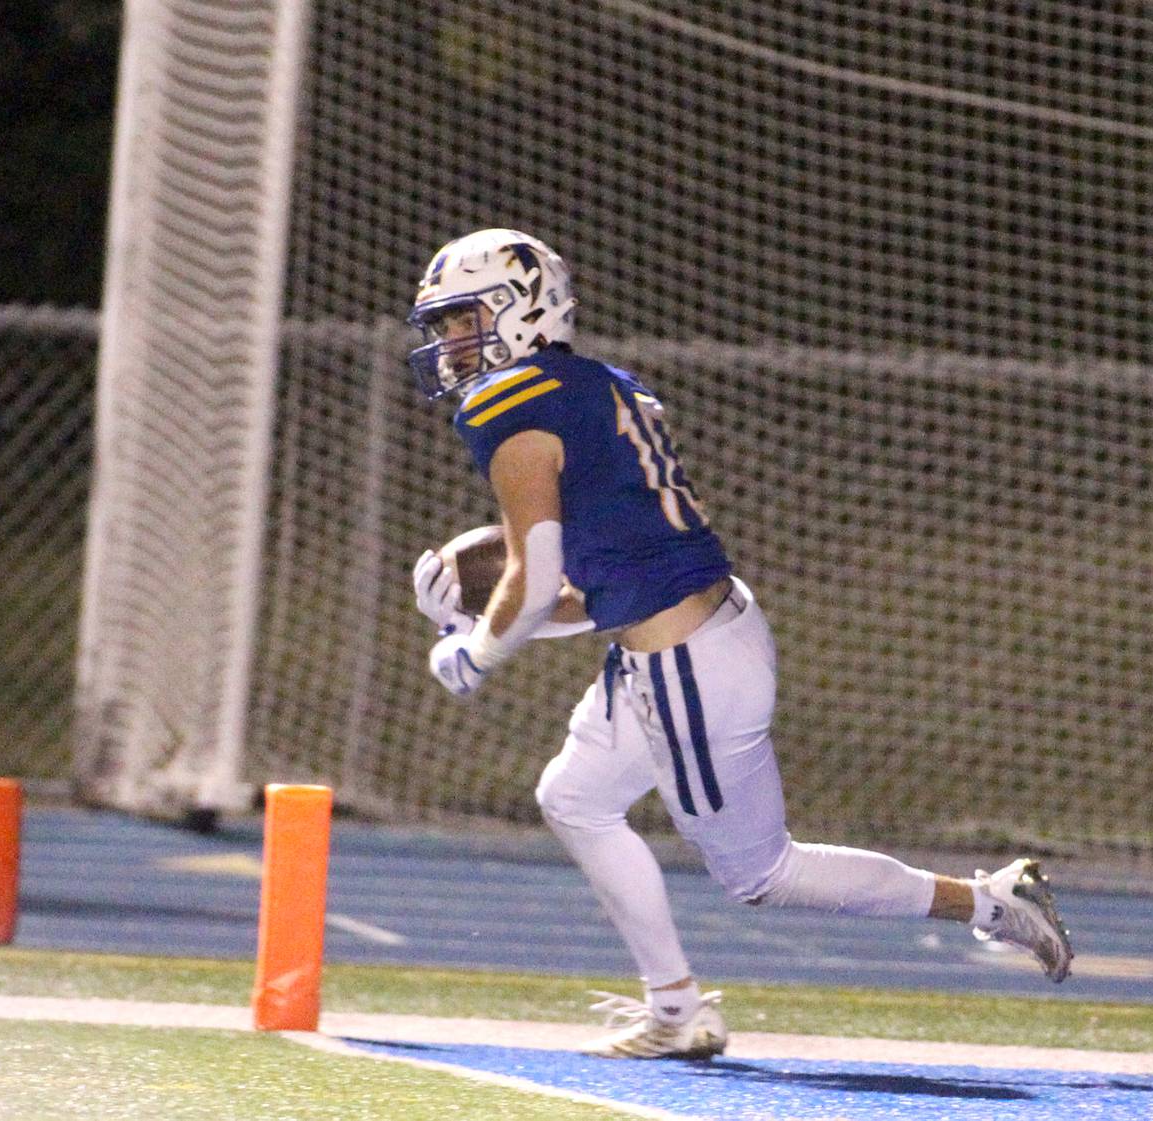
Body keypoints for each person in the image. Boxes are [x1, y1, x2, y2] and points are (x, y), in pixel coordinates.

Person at [407, 228, 1073, 1060]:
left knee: (764, 875)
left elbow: (536, 578)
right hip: (690, 638)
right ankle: (677, 1010)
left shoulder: (509, 407)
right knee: (574, 797)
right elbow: (605, 587)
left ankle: (990, 900)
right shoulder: (600, 389)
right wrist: (496, 624)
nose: (450, 342)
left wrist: (471, 653)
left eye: (465, 319)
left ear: (520, 310)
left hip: (684, 666)